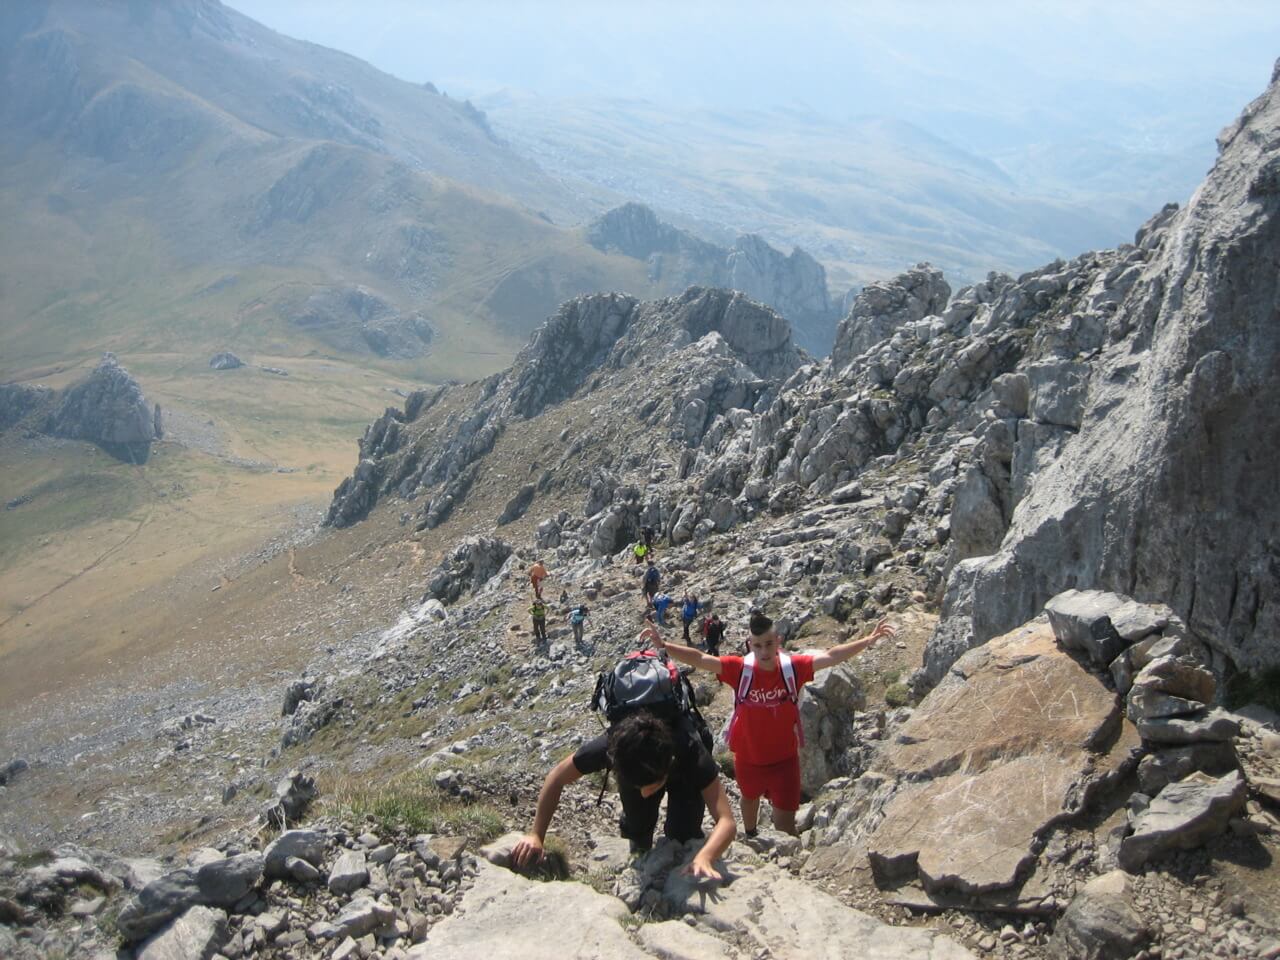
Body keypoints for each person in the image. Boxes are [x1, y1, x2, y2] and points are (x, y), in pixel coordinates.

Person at [656, 611, 896, 836]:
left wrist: (867, 640)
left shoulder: (793, 669)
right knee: (749, 799)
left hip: (785, 762)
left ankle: (781, 859)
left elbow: (831, 656)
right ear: (750, 645)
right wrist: (665, 646)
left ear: (778, 641)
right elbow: (701, 658)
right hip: (748, 759)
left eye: (769, 644)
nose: (764, 651)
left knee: (785, 829)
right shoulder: (740, 670)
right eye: (758, 645)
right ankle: (750, 835)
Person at [510, 711, 736, 878]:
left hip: (682, 774)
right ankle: (639, 850)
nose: (645, 794)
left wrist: (706, 856)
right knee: (637, 827)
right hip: (644, 767)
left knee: (684, 835)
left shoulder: (691, 752)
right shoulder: (614, 747)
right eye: (638, 786)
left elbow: (726, 821)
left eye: (651, 786)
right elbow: (556, 777)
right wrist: (536, 834)